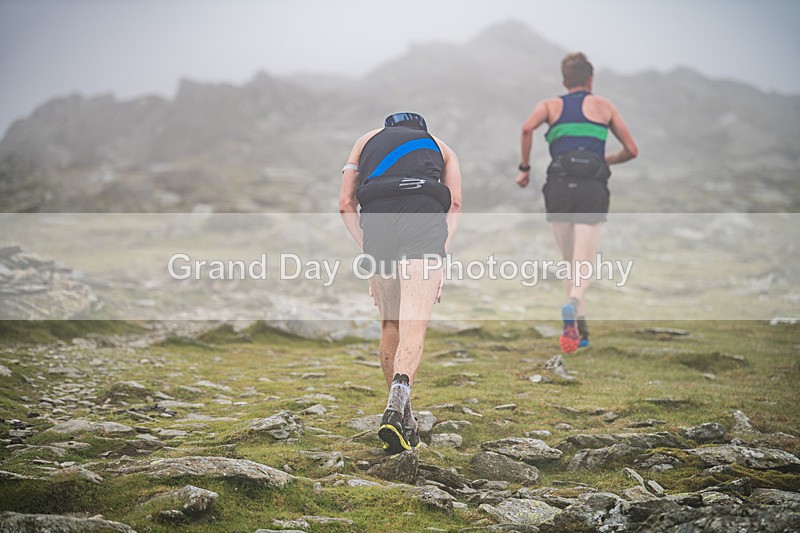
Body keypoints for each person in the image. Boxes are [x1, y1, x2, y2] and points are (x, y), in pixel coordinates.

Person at [339, 112, 462, 453]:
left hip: (377, 219)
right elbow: (454, 203)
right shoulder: (442, 148)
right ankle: (398, 405)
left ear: (388, 127)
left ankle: (401, 417)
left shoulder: (364, 141)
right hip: (422, 216)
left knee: (390, 323)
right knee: (414, 324)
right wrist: (439, 254)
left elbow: (346, 204)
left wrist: (369, 250)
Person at [516, 53, 638, 353]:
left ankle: (580, 332)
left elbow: (527, 128)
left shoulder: (549, 106)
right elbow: (632, 150)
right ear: (590, 80)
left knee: (568, 260)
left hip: (558, 185)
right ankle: (573, 303)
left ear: (564, 81)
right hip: (591, 187)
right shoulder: (605, 106)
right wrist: (605, 160)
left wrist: (525, 168)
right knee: (584, 261)